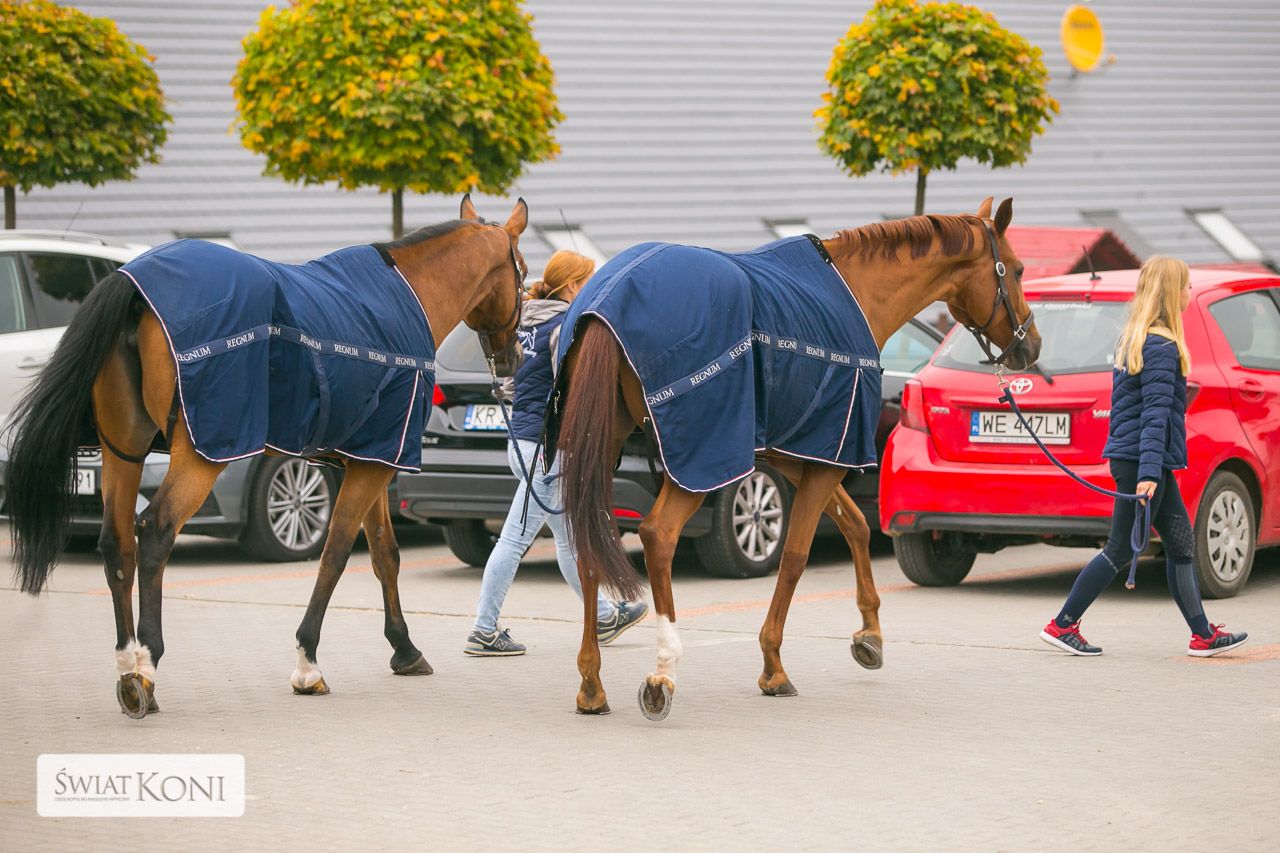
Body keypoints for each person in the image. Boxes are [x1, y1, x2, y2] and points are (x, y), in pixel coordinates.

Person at [1039, 256, 1248, 658]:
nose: (1189, 292)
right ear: (1171, 293)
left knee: (1181, 543)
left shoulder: (1135, 339)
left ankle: (1202, 634)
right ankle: (1062, 624)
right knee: (1120, 548)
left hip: (1142, 458)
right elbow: (1154, 414)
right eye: (1185, 286)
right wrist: (1149, 472)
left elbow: (1140, 408)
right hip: (1144, 462)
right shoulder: (1162, 346)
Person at [465, 250, 648, 656]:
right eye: (588, 282)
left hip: (523, 443)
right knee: (513, 540)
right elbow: (572, 390)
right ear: (571, 286)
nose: (592, 288)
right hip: (546, 452)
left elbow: (510, 386)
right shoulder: (564, 327)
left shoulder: (526, 323)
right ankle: (483, 629)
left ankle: (603, 616)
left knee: (568, 541)